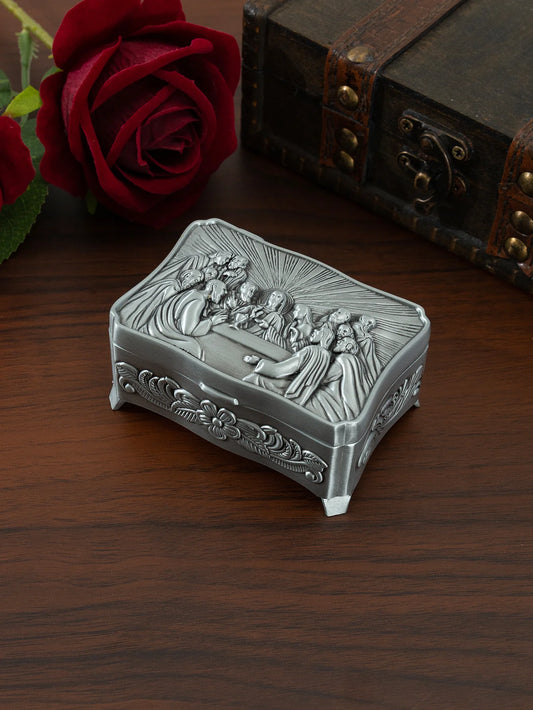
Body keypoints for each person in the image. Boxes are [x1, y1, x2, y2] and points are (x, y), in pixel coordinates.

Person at [243, 326, 334, 405]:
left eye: (319, 331)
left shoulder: (311, 350)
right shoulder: (326, 356)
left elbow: (279, 371)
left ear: (323, 336)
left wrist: (258, 361)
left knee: (253, 378)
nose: (314, 331)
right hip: (302, 392)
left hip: (291, 388)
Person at [145, 278, 228, 359]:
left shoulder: (193, 293)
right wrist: (211, 321)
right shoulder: (199, 300)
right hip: (163, 334)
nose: (226, 292)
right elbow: (188, 330)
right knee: (194, 348)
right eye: (223, 289)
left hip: (156, 327)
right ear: (214, 286)